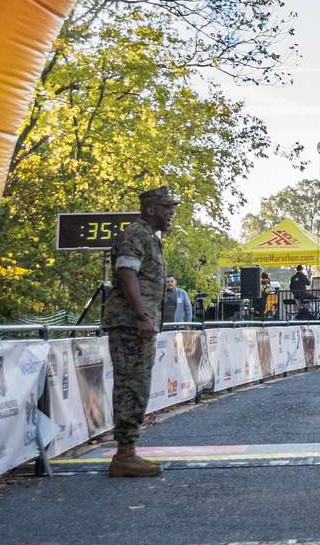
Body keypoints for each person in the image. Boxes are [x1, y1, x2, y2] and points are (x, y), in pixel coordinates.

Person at [103, 185, 177, 478]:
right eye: (166, 207)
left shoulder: (148, 237)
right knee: (131, 386)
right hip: (130, 323)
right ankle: (124, 455)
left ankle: (127, 452)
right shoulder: (136, 234)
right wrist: (141, 314)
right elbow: (126, 272)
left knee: (137, 385)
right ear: (150, 209)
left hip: (137, 323)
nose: (171, 213)